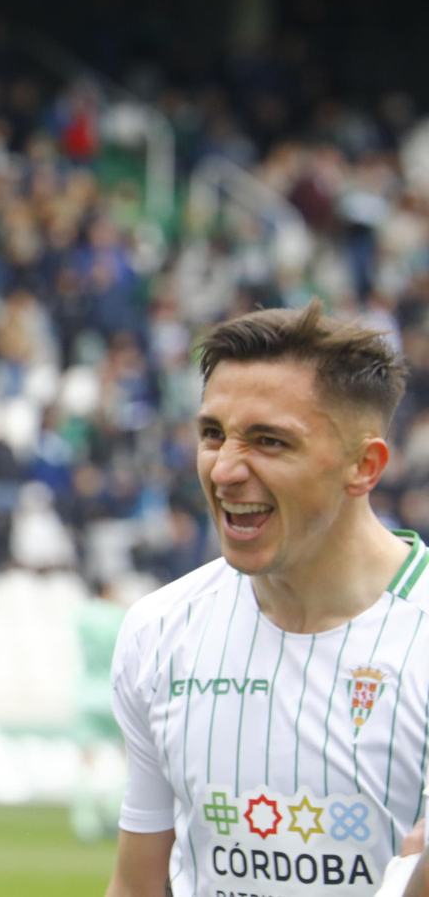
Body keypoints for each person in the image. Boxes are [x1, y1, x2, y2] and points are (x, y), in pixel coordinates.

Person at [105, 303, 429, 897]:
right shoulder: (159, 630)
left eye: (269, 441)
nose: (224, 469)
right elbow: (136, 885)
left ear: (365, 465)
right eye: (212, 434)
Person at [70, 578, 127, 843]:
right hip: (114, 693)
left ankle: (85, 819)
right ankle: (116, 811)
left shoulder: (83, 616)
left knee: (86, 758)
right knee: (127, 756)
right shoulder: (120, 616)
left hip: (88, 692)